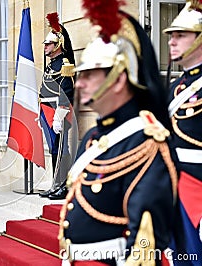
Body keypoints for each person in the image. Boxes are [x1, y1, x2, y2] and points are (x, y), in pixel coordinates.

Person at [58, 1, 177, 265]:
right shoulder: (93, 139)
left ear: (119, 78)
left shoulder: (147, 143)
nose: (79, 83)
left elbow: (145, 246)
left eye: (90, 74)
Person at [163, 0, 202, 262]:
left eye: (180, 35)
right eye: (170, 36)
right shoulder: (174, 89)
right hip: (177, 188)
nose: (171, 42)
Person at [38, 12, 76, 200]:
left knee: (61, 150)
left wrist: (59, 115)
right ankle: (56, 183)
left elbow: (67, 91)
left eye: (48, 44)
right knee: (54, 149)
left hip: (58, 112)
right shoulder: (51, 64)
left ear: (58, 45)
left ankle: (63, 185)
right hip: (47, 111)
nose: (45, 47)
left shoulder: (64, 64)